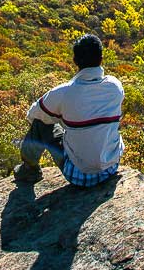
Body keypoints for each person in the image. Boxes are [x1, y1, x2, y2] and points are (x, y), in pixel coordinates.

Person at [13, 33, 124, 187]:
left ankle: (29, 170)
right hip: (110, 168)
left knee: (40, 122)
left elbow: (33, 115)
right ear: (101, 58)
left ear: (75, 61)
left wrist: (61, 121)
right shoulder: (115, 86)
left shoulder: (63, 93)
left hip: (77, 175)